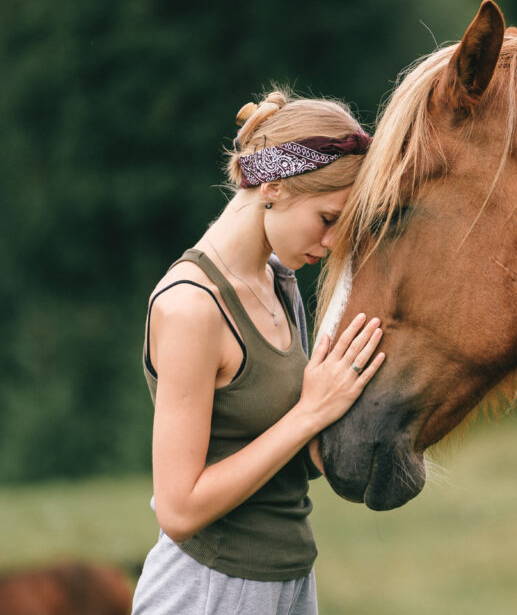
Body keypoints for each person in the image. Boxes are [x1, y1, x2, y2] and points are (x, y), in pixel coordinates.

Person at [132, 90, 383, 614]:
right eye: (329, 218)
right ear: (272, 189)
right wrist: (310, 412)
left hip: (289, 580)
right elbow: (178, 509)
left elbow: (291, 458)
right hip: (209, 589)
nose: (335, 242)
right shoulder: (192, 308)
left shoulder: (279, 283)